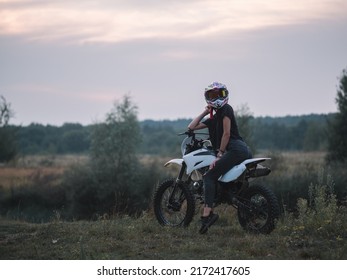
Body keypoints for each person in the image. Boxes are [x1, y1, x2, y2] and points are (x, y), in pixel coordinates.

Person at [188, 82, 252, 234]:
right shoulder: (213, 119)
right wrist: (205, 112)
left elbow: (227, 134)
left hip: (235, 150)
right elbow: (191, 127)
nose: (216, 98)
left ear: (225, 95)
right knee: (221, 178)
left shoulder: (226, 109)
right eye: (212, 95)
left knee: (209, 176)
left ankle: (207, 215)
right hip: (241, 150)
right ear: (207, 98)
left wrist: (220, 154)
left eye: (219, 94)